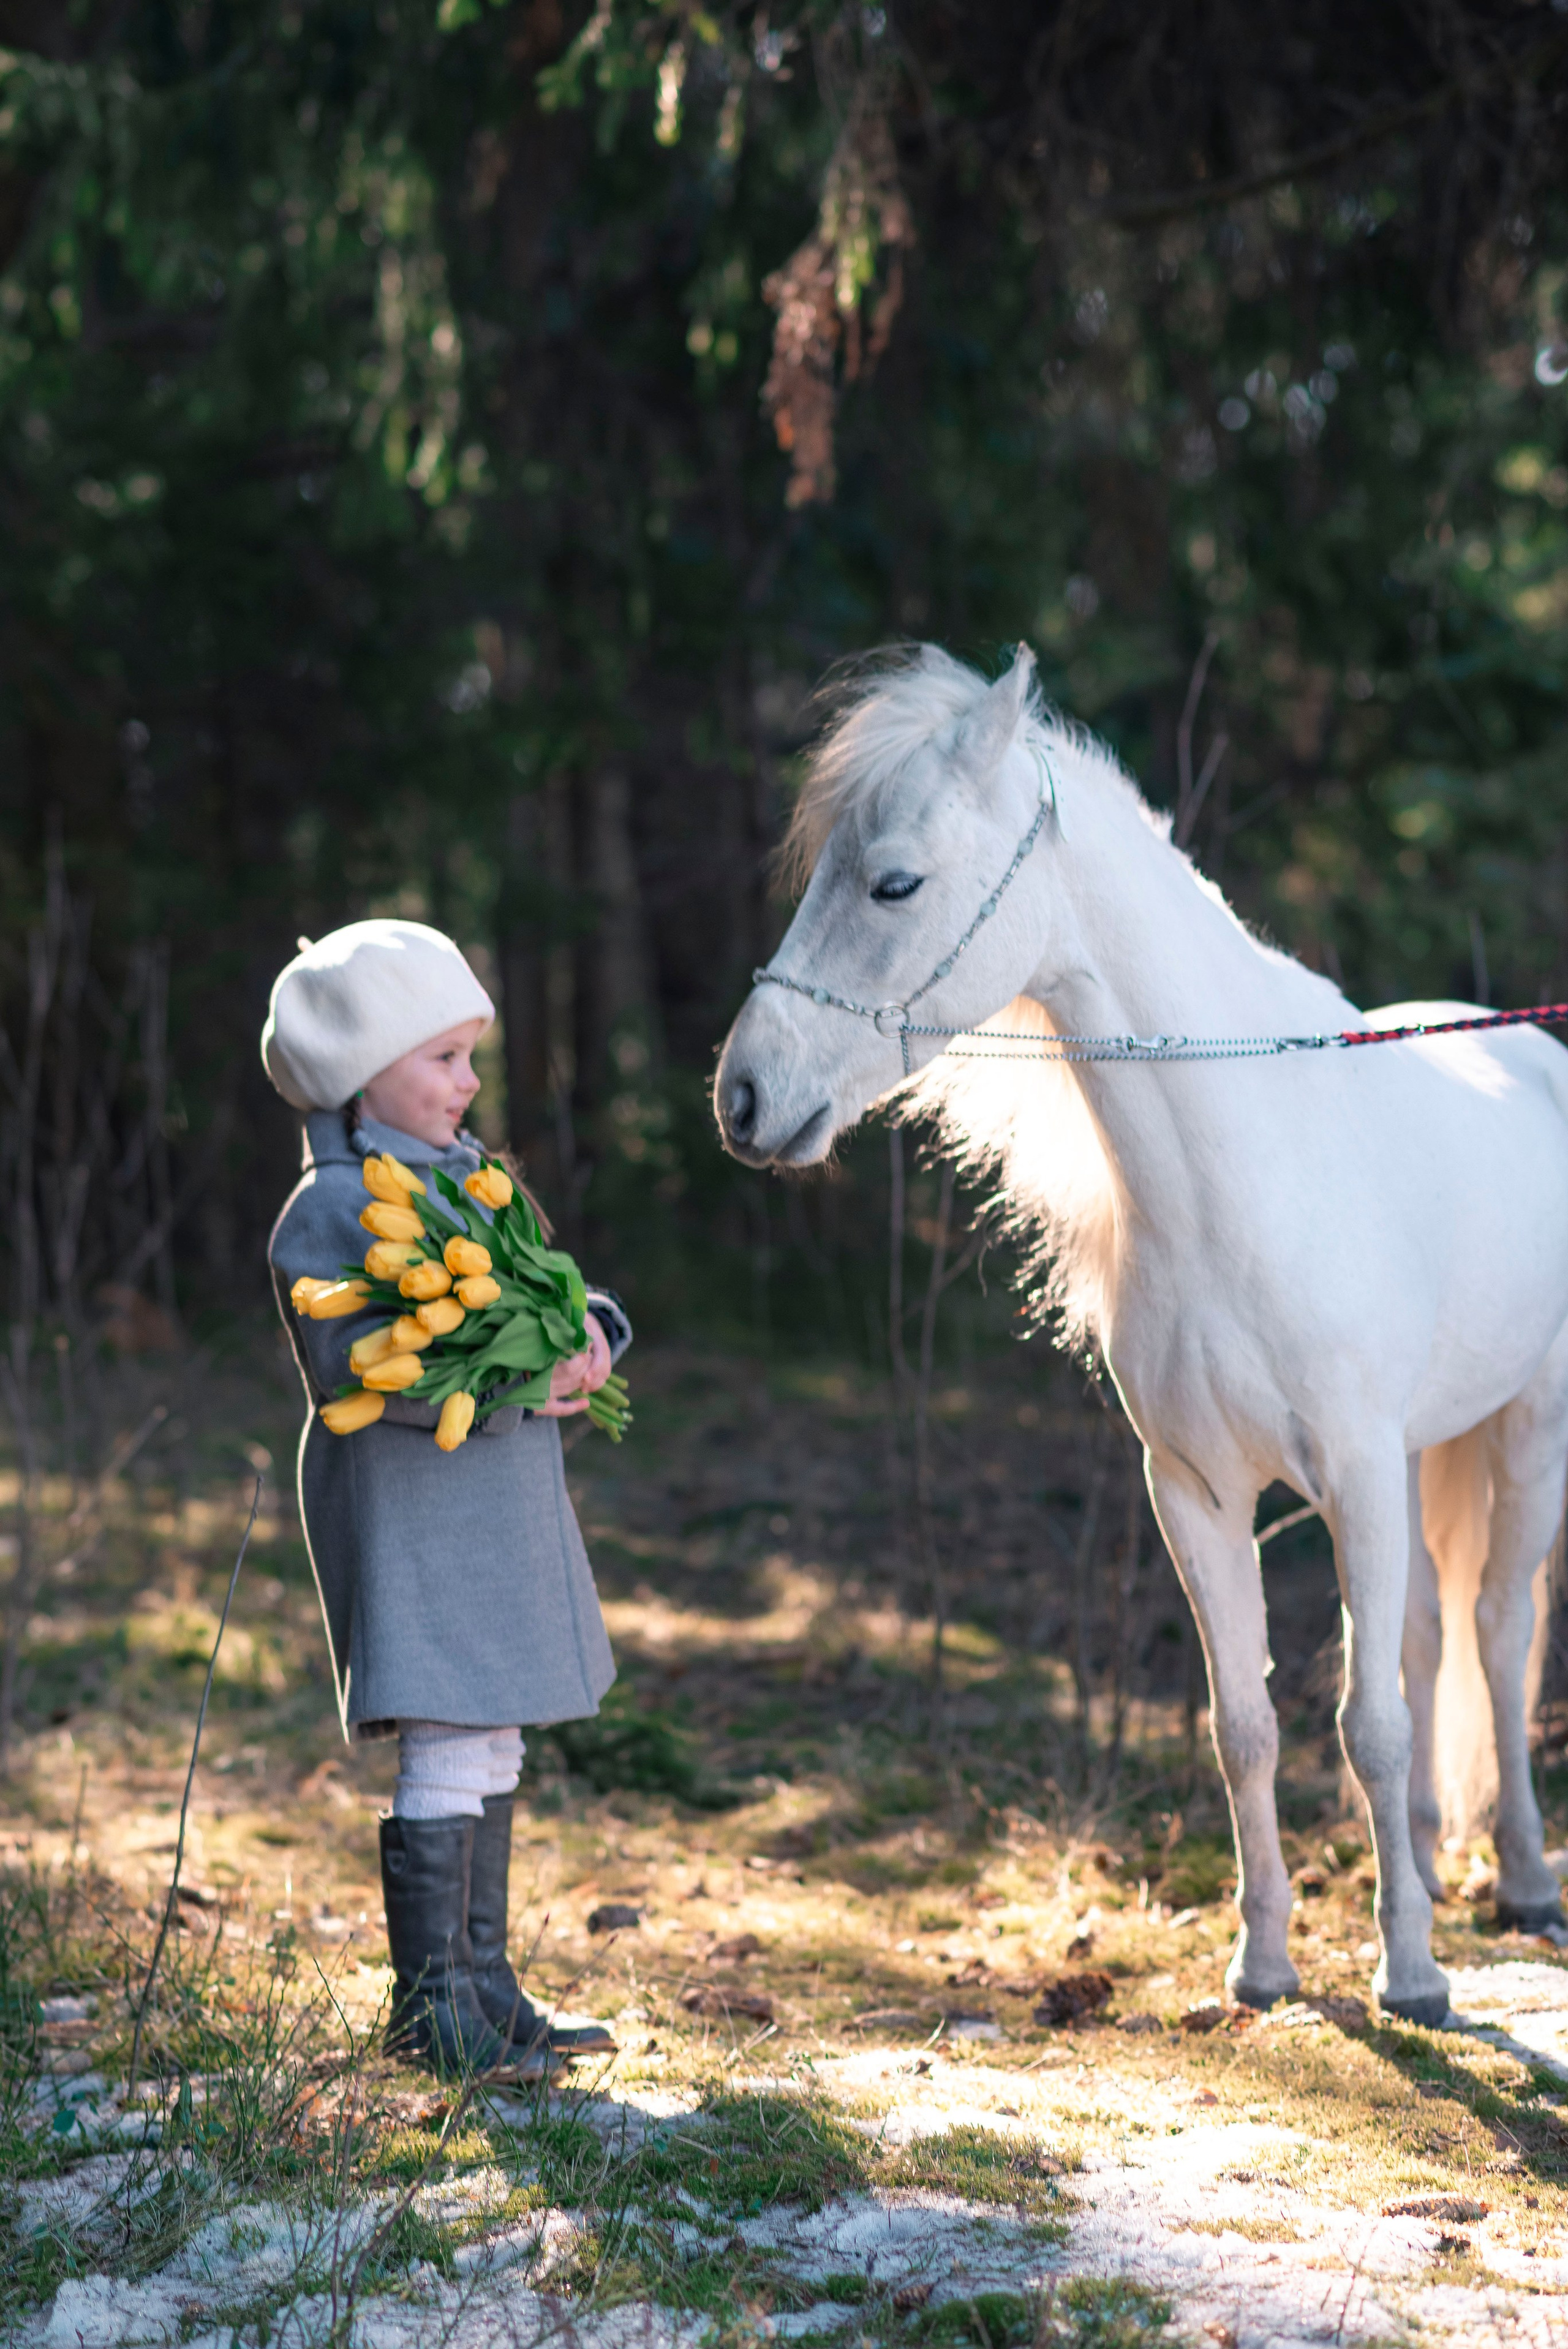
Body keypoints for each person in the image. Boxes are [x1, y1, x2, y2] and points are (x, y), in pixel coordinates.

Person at [262, 918, 626, 2078]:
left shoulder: (473, 1178)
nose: (470, 1082)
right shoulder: (332, 1207)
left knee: (493, 1732)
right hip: (422, 1513)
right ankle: (432, 2008)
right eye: (445, 1059)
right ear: (364, 1074)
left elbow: (545, 1289)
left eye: (472, 1056)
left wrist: (592, 1334)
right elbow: (359, 1364)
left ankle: (483, 1984)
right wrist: (522, 1368)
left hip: (496, 1507)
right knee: (447, 1733)